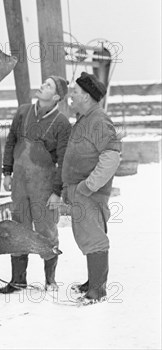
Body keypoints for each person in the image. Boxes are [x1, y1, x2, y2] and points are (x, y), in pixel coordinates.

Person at [0, 76, 72, 294]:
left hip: (45, 187)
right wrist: (7, 172)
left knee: (47, 230)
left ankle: (50, 280)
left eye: (48, 85)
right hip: (20, 183)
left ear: (56, 96)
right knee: (19, 229)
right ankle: (18, 280)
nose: (41, 86)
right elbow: (11, 141)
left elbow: (64, 160)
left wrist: (57, 192)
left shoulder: (61, 123)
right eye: (43, 83)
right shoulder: (23, 112)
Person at [62, 72, 121, 305]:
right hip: (80, 191)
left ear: (86, 97)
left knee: (93, 237)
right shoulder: (84, 119)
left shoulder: (98, 120)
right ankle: (93, 281)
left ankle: (97, 290)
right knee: (85, 236)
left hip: (89, 192)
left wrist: (89, 185)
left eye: (75, 93)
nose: (71, 97)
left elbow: (111, 156)